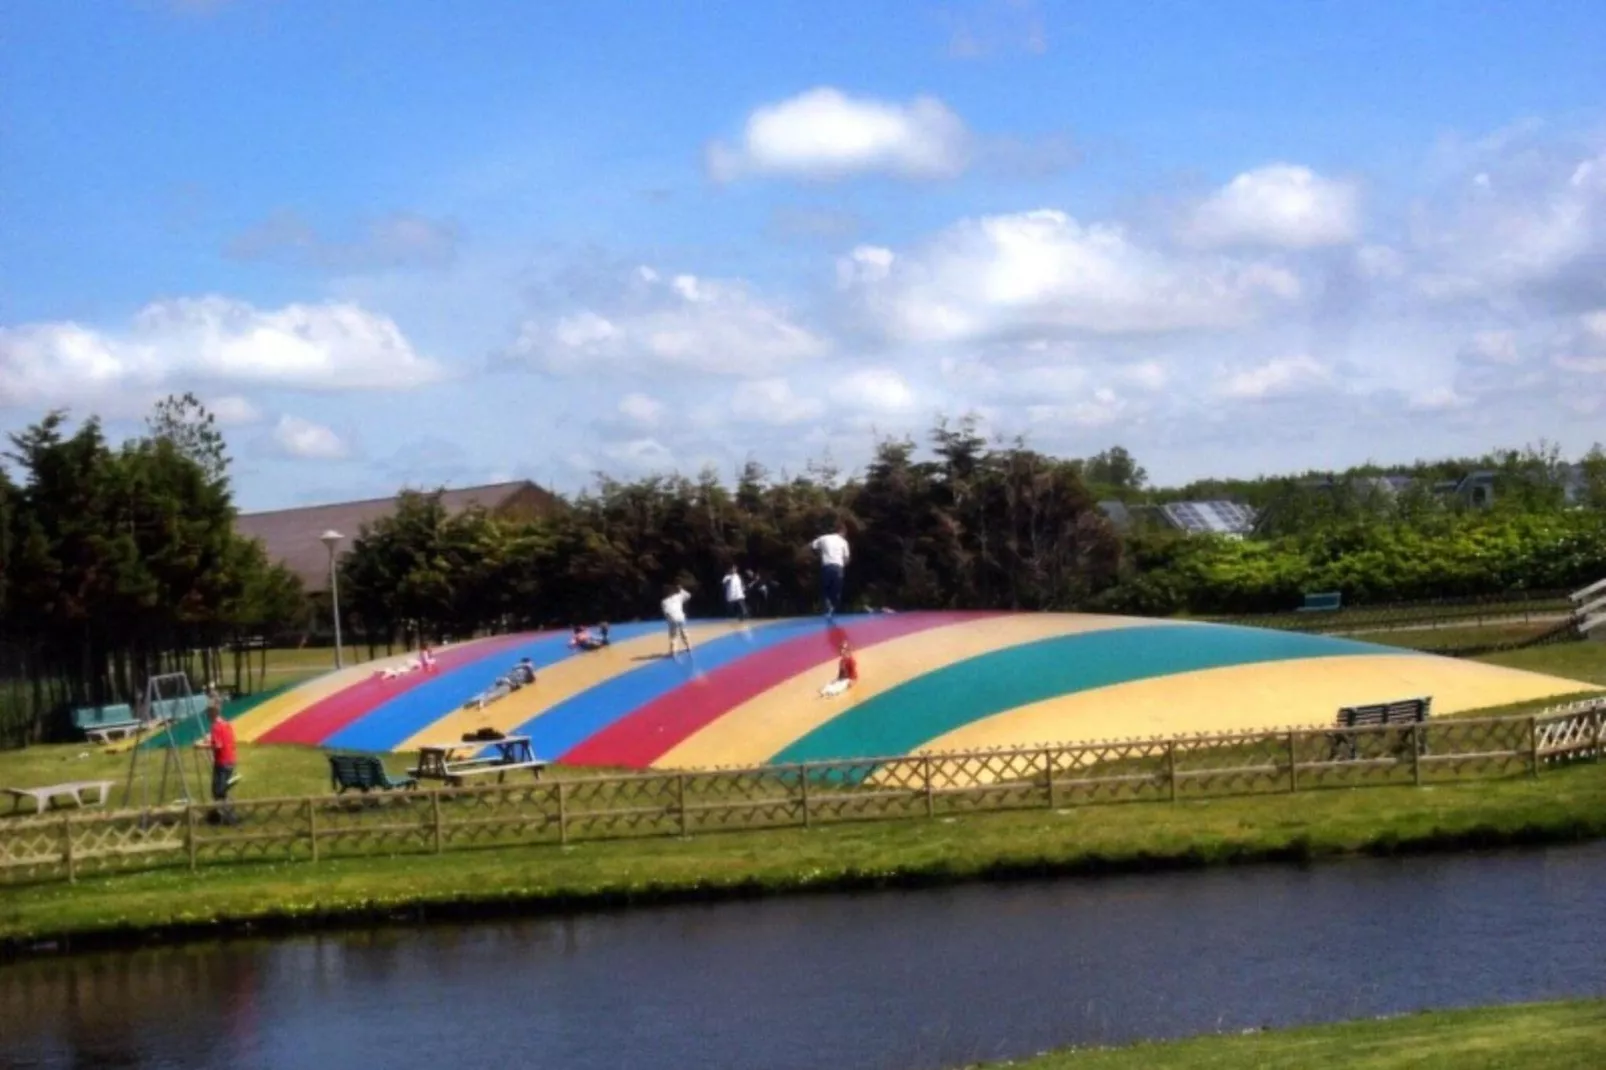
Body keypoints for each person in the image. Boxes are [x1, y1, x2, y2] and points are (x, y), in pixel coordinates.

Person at [193, 695, 238, 824]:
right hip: (230, 760)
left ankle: (228, 817)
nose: (207, 714)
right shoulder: (225, 724)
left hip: (222, 762)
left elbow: (217, 745)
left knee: (218, 791)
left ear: (213, 712)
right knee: (221, 789)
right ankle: (223, 815)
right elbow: (224, 740)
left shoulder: (216, 727)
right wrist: (208, 740)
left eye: (208, 712)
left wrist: (200, 746)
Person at [810, 523, 851, 620]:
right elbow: (846, 558)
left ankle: (826, 610)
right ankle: (833, 611)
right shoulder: (843, 542)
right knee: (836, 590)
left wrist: (818, 555)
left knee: (825, 589)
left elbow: (812, 546)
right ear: (843, 532)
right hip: (838, 567)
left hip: (827, 565)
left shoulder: (824, 538)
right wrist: (843, 565)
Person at [661, 584, 694, 657]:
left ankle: (673, 651)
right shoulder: (677, 597)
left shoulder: (664, 602)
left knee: (673, 635)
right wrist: (681, 589)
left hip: (672, 618)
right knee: (683, 631)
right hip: (681, 617)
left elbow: (666, 613)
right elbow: (688, 595)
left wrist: (669, 622)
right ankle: (688, 646)